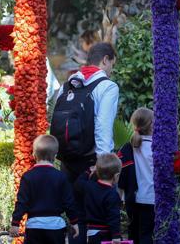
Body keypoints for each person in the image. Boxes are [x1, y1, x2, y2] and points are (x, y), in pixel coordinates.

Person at [50, 42, 119, 244]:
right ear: (105, 60)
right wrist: (102, 163)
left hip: (68, 161)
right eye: (111, 65)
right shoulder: (107, 86)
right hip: (93, 165)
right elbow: (103, 127)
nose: (111, 70)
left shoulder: (69, 84)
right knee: (99, 222)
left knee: (75, 218)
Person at [10, 135, 79, 244]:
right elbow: (69, 202)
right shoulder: (61, 177)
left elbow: (22, 203)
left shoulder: (28, 177)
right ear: (55, 155)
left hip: (34, 227)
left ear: (34, 155)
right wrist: (74, 222)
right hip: (56, 227)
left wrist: (15, 223)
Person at [118, 108, 155, 244]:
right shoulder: (157, 148)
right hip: (153, 199)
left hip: (133, 199)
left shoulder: (127, 147)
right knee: (147, 235)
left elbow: (120, 174)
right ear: (152, 124)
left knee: (134, 234)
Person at [75, 153, 123, 244]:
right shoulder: (112, 194)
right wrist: (116, 235)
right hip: (105, 234)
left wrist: (89, 171)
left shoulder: (89, 187)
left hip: (91, 232)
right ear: (116, 176)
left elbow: (78, 183)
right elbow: (114, 216)